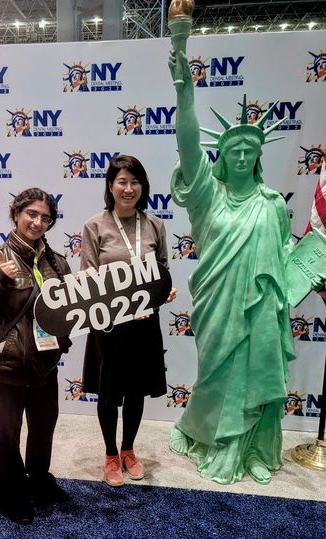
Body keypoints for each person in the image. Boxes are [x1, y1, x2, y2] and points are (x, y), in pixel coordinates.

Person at [168, 48, 297, 484]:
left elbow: (281, 260)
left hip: (262, 308)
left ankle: (256, 450)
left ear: (259, 156)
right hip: (218, 304)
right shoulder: (208, 195)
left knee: (260, 374)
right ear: (222, 154)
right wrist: (185, 97)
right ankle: (213, 439)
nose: (241, 157)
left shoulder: (274, 204)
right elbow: (188, 146)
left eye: (250, 150)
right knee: (217, 376)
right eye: (234, 150)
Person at [0, 188, 72, 524]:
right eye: (32, 214)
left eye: (45, 218)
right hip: (7, 364)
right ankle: (10, 497)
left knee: (43, 428)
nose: (37, 222)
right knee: (7, 434)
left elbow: (68, 310)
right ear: (17, 214)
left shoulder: (57, 262)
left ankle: (38, 483)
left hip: (45, 364)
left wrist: (62, 341)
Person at [80, 155, 176, 487]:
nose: (128, 188)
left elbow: (161, 270)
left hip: (145, 323)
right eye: (122, 181)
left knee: (136, 392)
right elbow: (88, 276)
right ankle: (109, 455)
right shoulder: (95, 226)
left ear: (143, 188)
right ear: (110, 186)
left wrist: (166, 291)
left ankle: (128, 450)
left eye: (135, 182)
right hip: (109, 325)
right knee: (109, 394)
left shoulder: (155, 225)